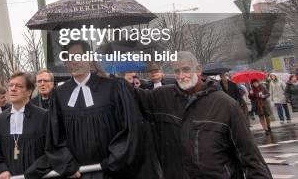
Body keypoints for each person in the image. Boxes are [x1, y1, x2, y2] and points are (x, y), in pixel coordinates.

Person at [135, 52, 271, 179]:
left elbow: (251, 157)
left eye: (186, 69)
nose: (182, 76)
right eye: (177, 71)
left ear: (198, 69)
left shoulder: (226, 105)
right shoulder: (162, 97)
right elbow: (129, 97)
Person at [45, 40, 161, 178]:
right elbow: (55, 136)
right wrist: (67, 165)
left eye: (78, 56)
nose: (74, 61)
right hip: (77, 174)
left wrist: (113, 161)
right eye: (68, 58)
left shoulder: (113, 88)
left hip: (112, 172)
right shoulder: (59, 94)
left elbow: (130, 129)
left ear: (89, 58)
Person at [0, 72, 48, 179]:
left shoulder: (43, 116)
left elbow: (52, 150)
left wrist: (35, 170)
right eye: (11, 85)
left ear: (29, 92)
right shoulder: (0, 120)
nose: (13, 89)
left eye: (19, 86)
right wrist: (2, 169)